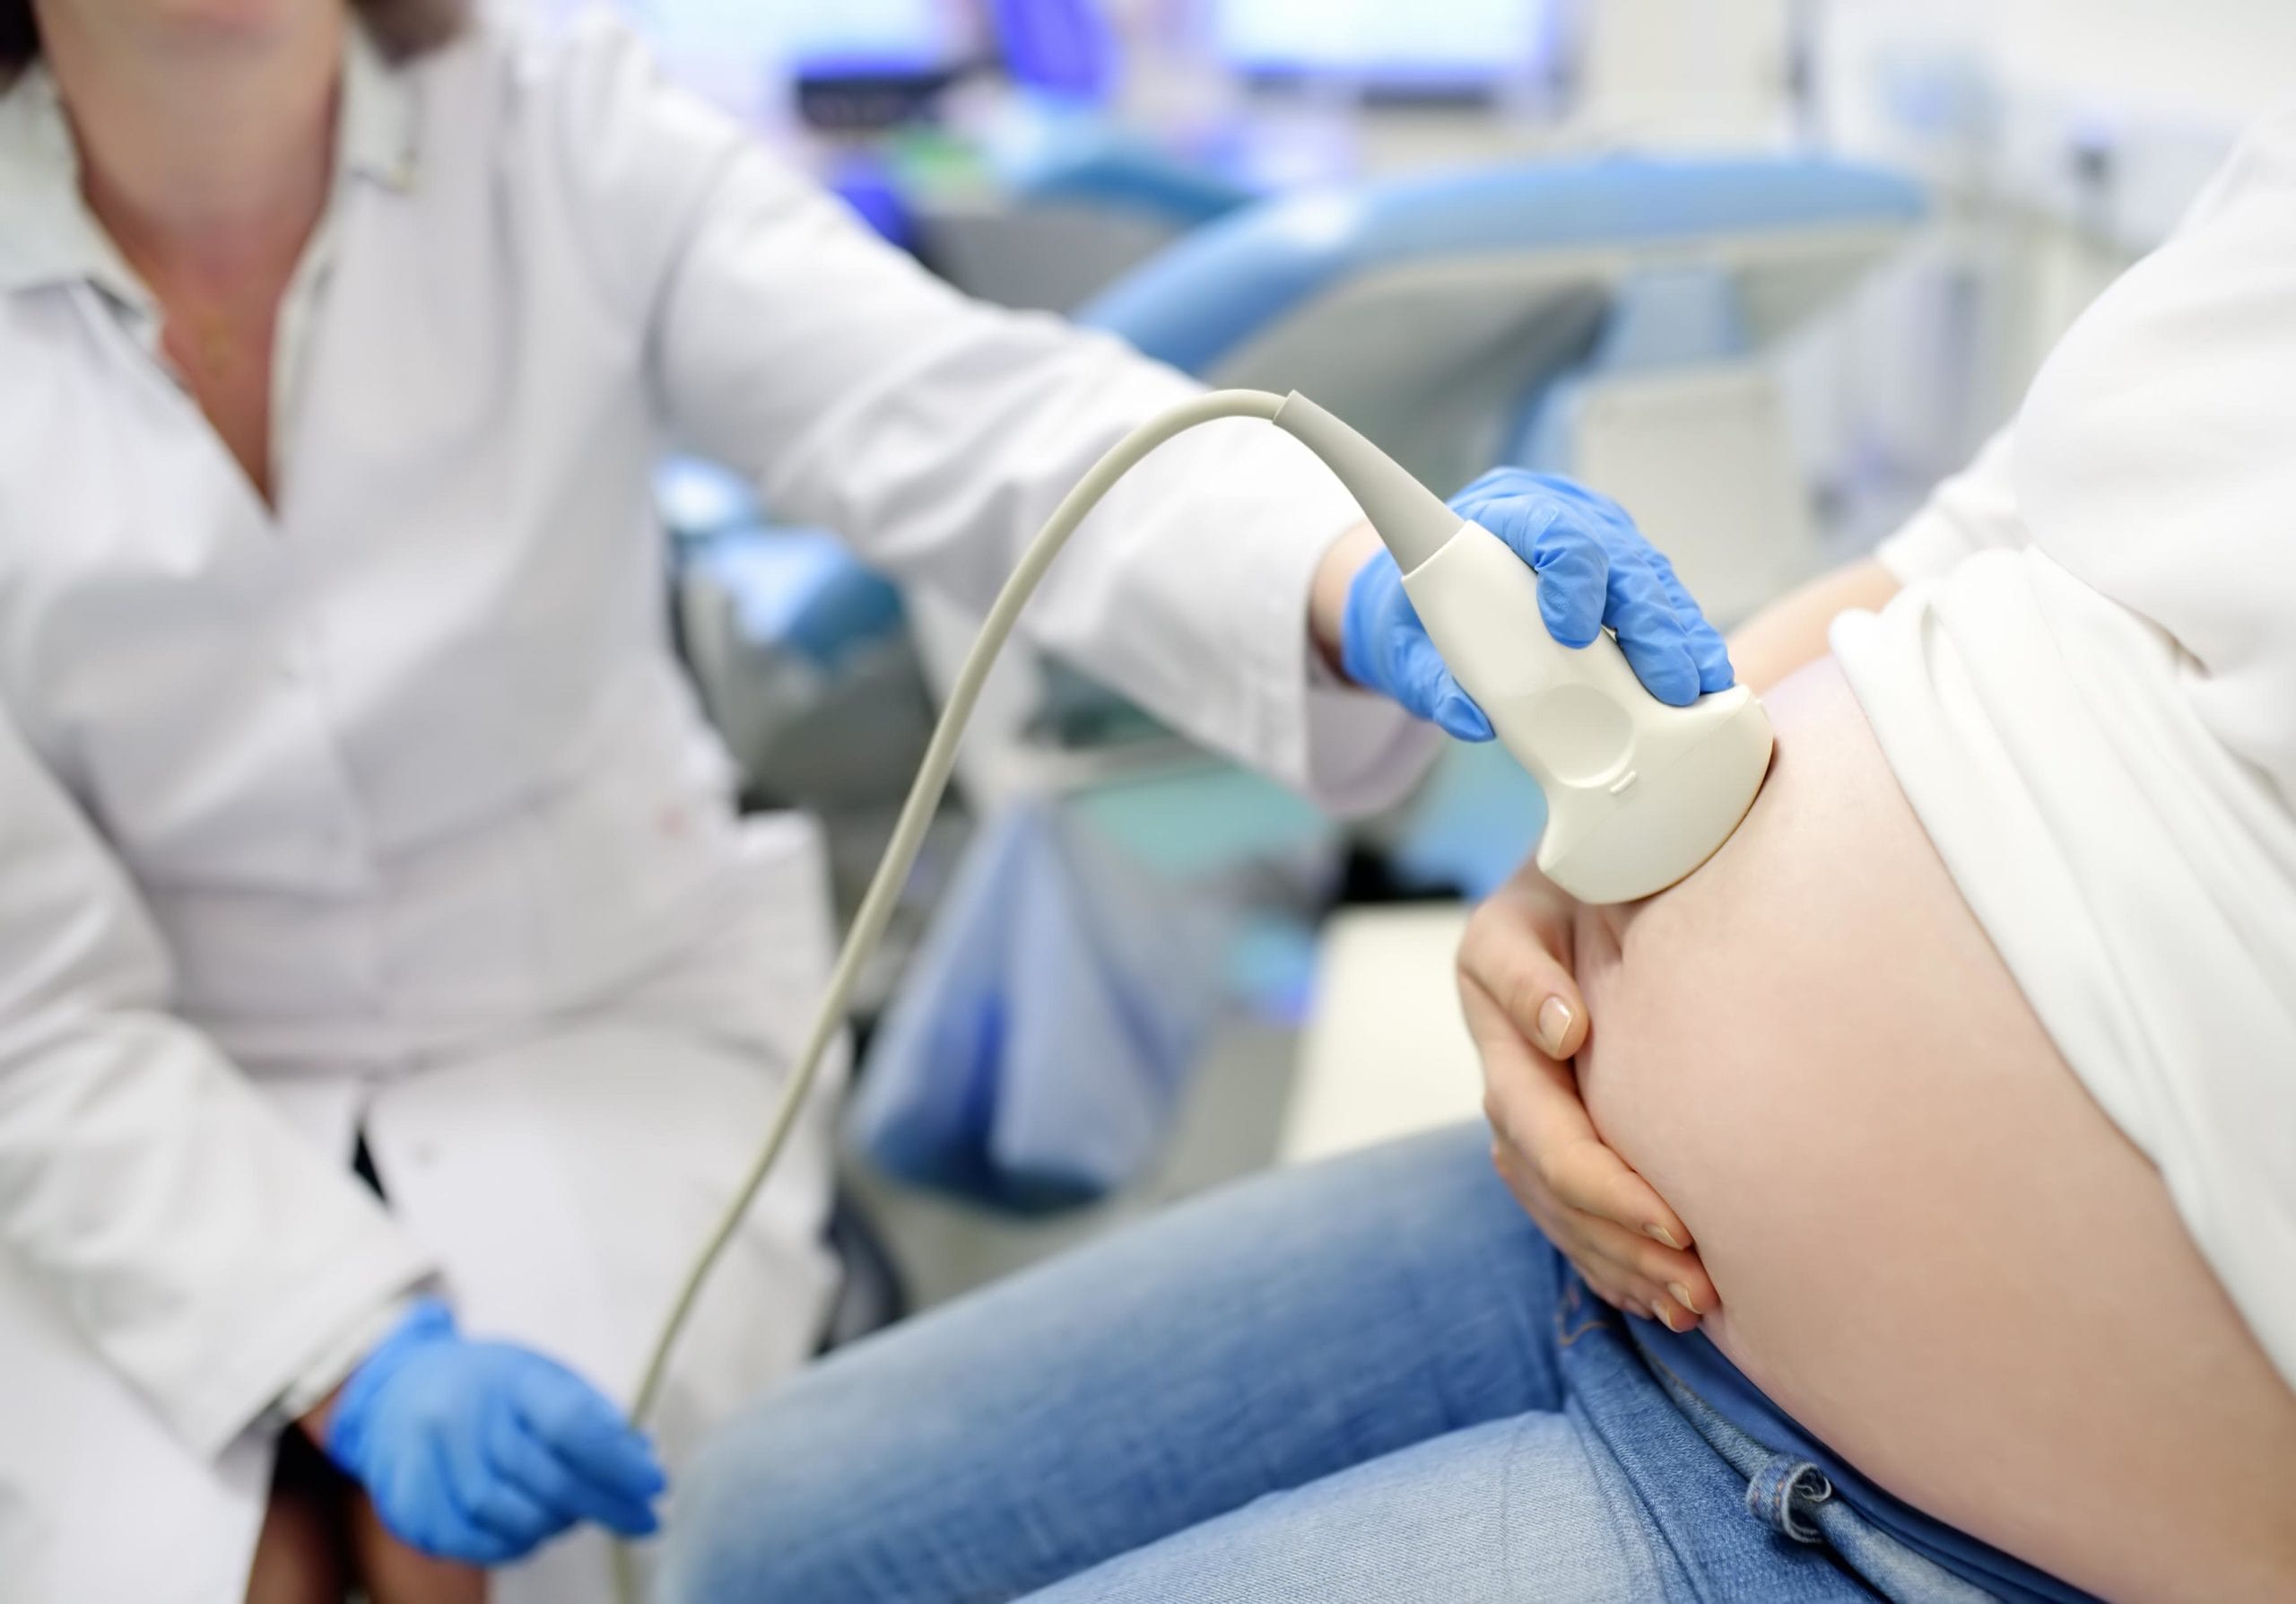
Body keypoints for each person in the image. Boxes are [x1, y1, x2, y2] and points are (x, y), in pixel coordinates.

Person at [0, 2, 1728, 1600]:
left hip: (589, 1020)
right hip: (143, 1107)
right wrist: (349, 1353)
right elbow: (35, 1003)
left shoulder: (557, 129)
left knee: (493, 1565)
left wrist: (1347, 577)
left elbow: (981, 425)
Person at [657, 96, 2296, 1604]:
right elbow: (1994, 530)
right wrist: (1560, 884)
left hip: (1943, 1533)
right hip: (1617, 1254)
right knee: (761, 1534)